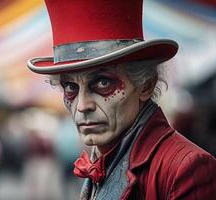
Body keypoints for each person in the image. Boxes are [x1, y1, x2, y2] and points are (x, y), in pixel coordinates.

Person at [27, 0, 216, 199]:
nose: (82, 106)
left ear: (146, 85)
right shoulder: (103, 160)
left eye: (102, 83)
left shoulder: (186, 169)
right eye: (70, 87)